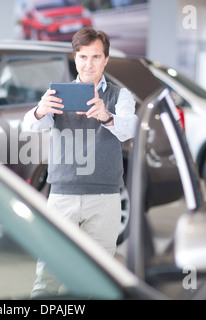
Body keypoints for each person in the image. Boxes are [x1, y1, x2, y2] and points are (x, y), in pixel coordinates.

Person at [22, 26, 138, 297]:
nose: (89, 64)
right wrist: (41, 110)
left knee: (99, 276)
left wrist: (106, 116)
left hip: (105, 197)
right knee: (47, 275)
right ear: (75, 58)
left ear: (106, 60)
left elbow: (130, 127)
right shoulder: (58, 94)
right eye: (83, 57)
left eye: (96, 57)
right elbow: (29, 126)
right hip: (63, 195)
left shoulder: (119, 96)